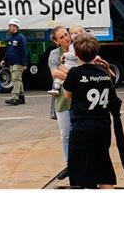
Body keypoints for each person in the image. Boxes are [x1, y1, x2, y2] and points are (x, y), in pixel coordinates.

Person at [62, 32, 123, 189]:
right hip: (102, 126)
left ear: (75, 53)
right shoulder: (104, 72)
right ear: (96, 52)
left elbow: (68, 94)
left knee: (82, 176)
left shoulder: (75, 73)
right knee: (103, 170)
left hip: (82, 128)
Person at [47, 26, 77, 178]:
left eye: (66, 34)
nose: (66, 38)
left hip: (78, 99)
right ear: (56, 42)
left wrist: (66, 72)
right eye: (61, 37)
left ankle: (81, 163)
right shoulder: (54, 54)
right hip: (62, 100)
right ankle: (69, 165)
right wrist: (75, 76)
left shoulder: (78, 48)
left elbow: (84, 68)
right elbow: (55, 73)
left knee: (79, 133)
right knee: (65, 134)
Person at [2, 18, 28, 105]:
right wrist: (4, 60)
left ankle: (14, 97)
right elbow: (8, 51)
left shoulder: (21, 38)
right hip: (12, 63)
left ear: (16, 27)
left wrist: (24, 63)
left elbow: (24, 51)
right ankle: (21, 97)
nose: (9, 27)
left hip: (18, 62)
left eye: (11, 26)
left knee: (15, 79)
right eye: (9, 26)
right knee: (18, 80)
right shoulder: (11, 38)